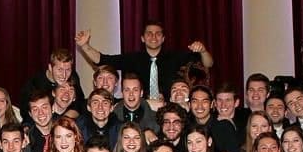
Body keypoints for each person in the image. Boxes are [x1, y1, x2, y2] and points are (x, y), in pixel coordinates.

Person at [75, 24, 213, 101]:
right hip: (141, 110)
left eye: (158, 33)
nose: (153, 36)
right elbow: (102, 60)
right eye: (149, 33)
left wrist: (203, 51)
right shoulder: (133, 59)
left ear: (163, 38)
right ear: (142, 38)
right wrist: (84, 46)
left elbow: (208, 64)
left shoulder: (175, 57)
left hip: (169, 109)